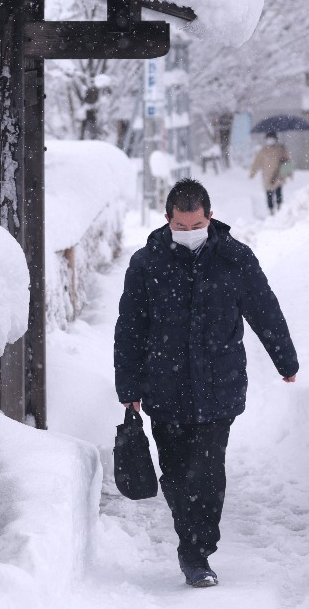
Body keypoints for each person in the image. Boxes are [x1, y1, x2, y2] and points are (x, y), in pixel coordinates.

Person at [113, 178, 298, 588]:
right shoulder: (147, 263)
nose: (189, 232)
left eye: (196, 224)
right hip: (164, 388)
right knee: (176, 474)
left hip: (218, 387)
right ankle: (190, 541)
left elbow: (265, 310)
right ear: (167, 221)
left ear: (209, 217)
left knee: (208, 472)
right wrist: (129, 389)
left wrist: (285, 359)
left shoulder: (235, 258)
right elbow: (130, 329)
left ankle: (197, 553)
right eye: (181, 226)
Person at [249, 132, 292, 214]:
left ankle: (280, 208)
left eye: (272, 139)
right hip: (267, 176)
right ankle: (271, 210)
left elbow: (287, 161)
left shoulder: (280, 149)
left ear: (276, 139)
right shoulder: (263, 151)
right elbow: (256, 162)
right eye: (269, 139)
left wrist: (288, 173)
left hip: (278, 175)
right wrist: (252, 173)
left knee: (278, 192)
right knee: (269, 193)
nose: (270, 141)